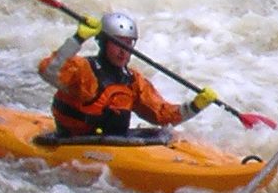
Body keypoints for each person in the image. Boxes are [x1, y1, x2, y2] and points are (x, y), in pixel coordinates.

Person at [38, 11, 217, 139]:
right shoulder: (84, 69)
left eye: (129, 44)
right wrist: (77, 39)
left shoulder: (132, 81)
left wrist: (194, 106)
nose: (124, 51)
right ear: (103, 43)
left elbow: (162, 115)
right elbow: (48, 71)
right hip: (74, 142)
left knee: (166, 135)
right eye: (118, 43)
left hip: (112, 143)